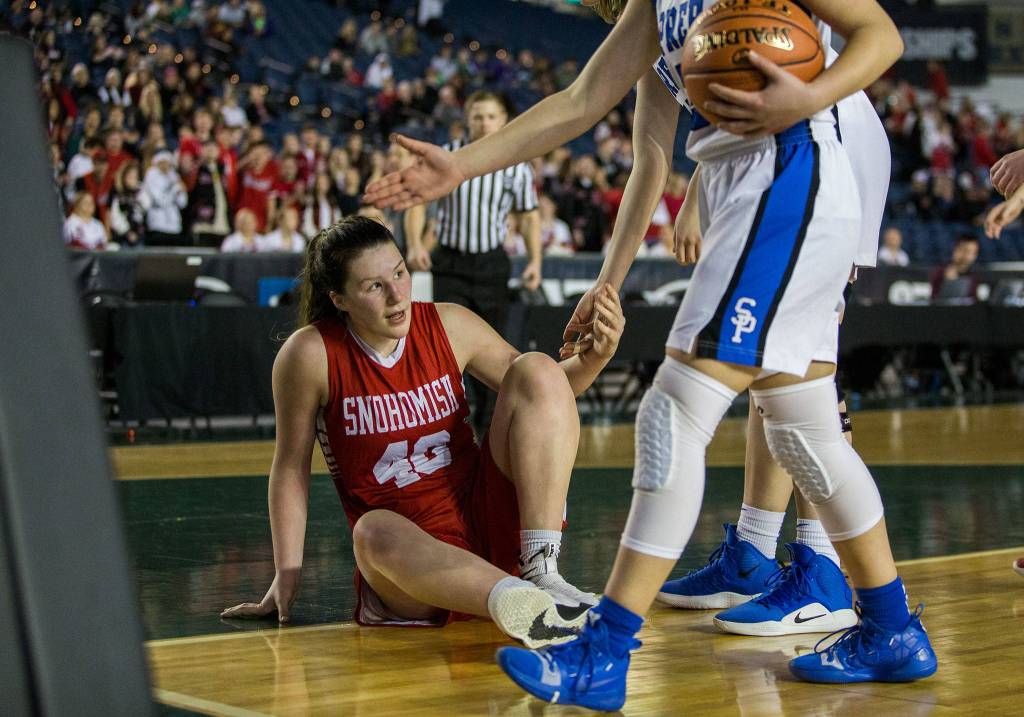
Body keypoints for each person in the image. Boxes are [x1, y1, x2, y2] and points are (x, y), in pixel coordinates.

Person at [366, 0, 936, 707]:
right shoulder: (654, 5)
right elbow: (578, 102)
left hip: (793, 169)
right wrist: (460, 166)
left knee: (673, 412)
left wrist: (811, 93)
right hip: (753, 183)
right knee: (803, 428)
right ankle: (890, 627)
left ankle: (604, 652)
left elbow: (881, 34)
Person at [222, 217, 625, 646]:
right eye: (373, 286)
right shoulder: (309, 354)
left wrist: (597, 358)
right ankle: (519, 602)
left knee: (536, 367)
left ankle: (542, 576)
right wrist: (287, 572)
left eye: (399, 272)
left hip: (486, 517)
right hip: (413, 559)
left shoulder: (448, 323)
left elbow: (546, 394)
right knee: (371, 532)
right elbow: (290, 467)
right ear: (338, 298)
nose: (397, 295)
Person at [405, 90, 542, 431]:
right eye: (478, 116)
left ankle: (492, 425)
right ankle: (450, 424)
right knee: (448, 347)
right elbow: (417, 202)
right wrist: (414, 244)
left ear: (503, 120)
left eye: (491, 116)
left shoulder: (516, 166)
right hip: (451, 263)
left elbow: (529, 217)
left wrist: (535, 260)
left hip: (491, 264)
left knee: (492, 349)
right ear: (466, 119)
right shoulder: (445, 157)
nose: (484, 123)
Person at [140, 150, 188, 246]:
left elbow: (183, 203)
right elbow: (160, 201)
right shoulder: (151, 177)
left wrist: (180, 191)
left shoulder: (174, 176)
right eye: (162, 162)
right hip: (158, 225)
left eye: (167, 162)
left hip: (174, 226)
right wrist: (175, 189)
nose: (165, 166)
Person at [930, 234, 979, 301]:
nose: (965, 255)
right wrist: (949, 283)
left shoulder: (973, 277)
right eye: (963, 250)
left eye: (970, 252)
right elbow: (934, 299)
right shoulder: (941, 272)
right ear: (955, 250)